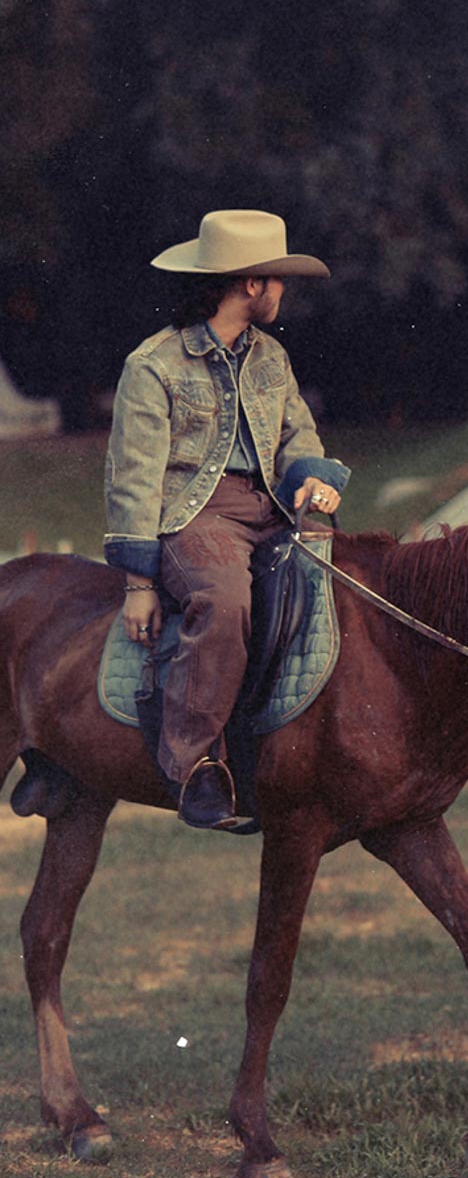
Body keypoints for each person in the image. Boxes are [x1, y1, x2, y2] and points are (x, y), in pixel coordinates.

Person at [104, 209, 350, 829]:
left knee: (344, 582)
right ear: (249, 285)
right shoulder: (154, 366)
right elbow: (134, 475)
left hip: (273, 507)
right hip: (194, 516)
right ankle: (194, 766)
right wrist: (138, 584)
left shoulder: (272, 357)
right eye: (277, 279)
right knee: (224, 600)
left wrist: (314, 479)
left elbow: (297, 434)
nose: (282, 291)